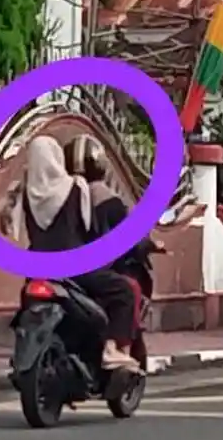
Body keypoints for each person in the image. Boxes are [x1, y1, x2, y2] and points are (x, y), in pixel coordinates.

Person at [9, 135, 142, 371]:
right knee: (123, 291)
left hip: (37, 267)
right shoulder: (75, 186)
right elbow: (88, 225)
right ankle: (111, 349)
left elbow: (10, 226)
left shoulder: (24, 193)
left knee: (27, 305)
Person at [64, 135, 159, 366]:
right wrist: (147, 245)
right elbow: (127, 236)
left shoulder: (61, 195)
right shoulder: (107, 199)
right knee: (128, 290)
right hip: (93, 272)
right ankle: (117, 348)